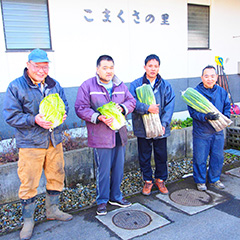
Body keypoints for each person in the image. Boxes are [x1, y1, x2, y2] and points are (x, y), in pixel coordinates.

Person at [3, 48, 73, 240]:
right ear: (28, 65)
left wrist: (63, 114)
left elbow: (64, 104)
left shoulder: (54, 84)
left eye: (45, 66)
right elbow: (11, 116)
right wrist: (34, 119)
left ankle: (53, 210)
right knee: (29, 181)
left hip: (53, 139)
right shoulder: (16, 86)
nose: (42, 70)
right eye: (38, 66)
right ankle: (28, 221)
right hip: (30, 142)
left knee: (56, 175)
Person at [75, 55, 136, 215]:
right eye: (105, 68)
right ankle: (102, 200)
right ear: (97, 69)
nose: (109, 71)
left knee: (118, 168)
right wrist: (98, 117)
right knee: (103, 170)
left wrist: (122, 108)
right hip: (101, 135)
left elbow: (132, 101)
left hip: (119, 134)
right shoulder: (88, 85)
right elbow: (80, 108)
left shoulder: (120, 85)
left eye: (111, 68)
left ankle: (116, 196)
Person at [130, 54, 175, 196]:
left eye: (156, 66)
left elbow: (170, 106)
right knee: (144, 155)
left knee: (161, 155)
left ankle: (160, 180)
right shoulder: (136, 84)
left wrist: (164, 124)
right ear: (145, 67)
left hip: (161, 127)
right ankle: (147, 180)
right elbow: (131, 102)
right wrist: (147, 108)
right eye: (150, 66)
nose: (153, 69)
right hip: (142, 127)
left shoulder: (166, 85)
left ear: (159, 68)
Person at [188, 65, 231, 191]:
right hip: (202, 131)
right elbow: (193, 113)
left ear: (216, 77)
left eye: (212, 76)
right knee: (200, 157)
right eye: (206, 76)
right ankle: (200, 181)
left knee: (217, 157)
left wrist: (225, 118)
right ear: (202, 77)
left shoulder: (222, 92)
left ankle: (214, 179)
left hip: (218, 131)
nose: (209, 79)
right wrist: (205, 117)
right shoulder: (195, 93)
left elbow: (227, 107)